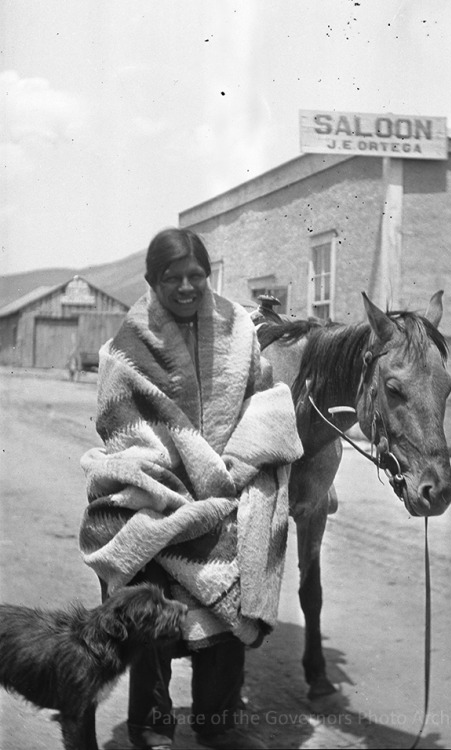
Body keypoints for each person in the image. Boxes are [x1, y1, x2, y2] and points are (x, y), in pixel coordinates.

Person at [79, 228, 304, 750]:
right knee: (149, 590)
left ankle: (216, 723)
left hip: (226, 483)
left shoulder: (240, 331)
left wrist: (233, 470)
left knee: (243, 563)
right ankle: (152, 726)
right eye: (172, 278)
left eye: (196, 276)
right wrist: (176, 484)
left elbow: (264, 400)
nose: (186, 286)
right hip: (160, 488)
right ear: (151, 281)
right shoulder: (124, 350)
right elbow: (121, 428)